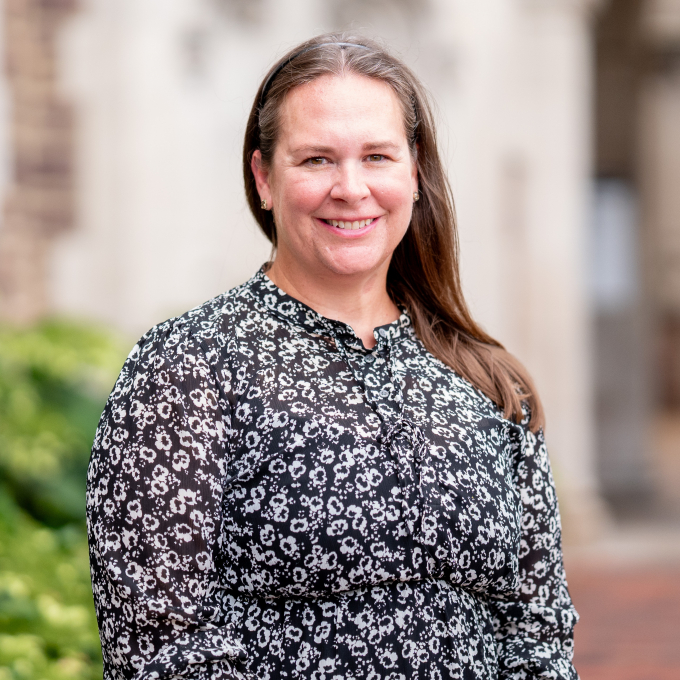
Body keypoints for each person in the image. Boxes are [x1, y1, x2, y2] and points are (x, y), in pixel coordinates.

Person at [87, 33, 579, 680]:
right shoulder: (188, 368)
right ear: (264, 178)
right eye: (316, 160)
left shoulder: (485, 378)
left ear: (414, 171)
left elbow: (539, 633)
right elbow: (163, 645)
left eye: (377, 156)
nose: (351, 188)